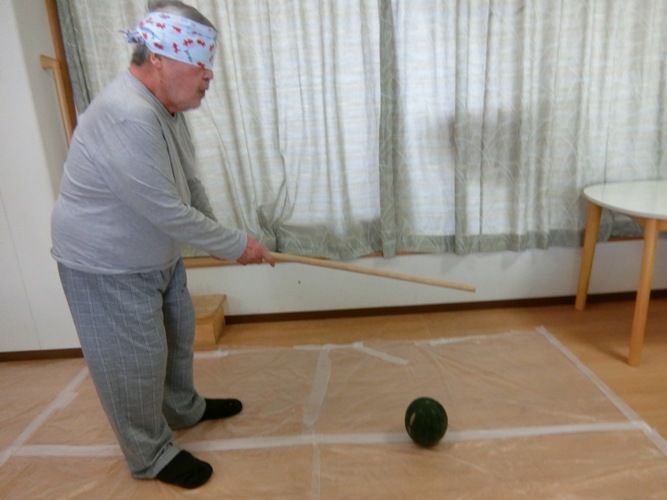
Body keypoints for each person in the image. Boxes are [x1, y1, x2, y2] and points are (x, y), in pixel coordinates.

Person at [50, 0, 275, 489]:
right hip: (106, 263)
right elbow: (166, 210)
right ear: (158, 58)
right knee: (135, 360)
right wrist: (236, 245)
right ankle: (149, 453)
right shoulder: (128, 114)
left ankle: (182, 408)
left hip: (155, 254)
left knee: (176, 331)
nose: (209, 75)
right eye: (201, 64)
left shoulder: (166, 109)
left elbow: (188, 185)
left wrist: (220, 238)